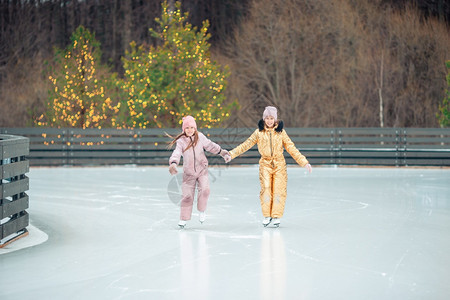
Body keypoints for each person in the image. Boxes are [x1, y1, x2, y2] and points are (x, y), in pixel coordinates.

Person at [225, 106, 312, 227]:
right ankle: (267, 215)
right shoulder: (259, 133)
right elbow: (246, 144)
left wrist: (304, 162)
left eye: (272, 118)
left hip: (279, 164)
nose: (269, 121)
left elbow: (291, 148)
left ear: (276, 119)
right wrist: (231, 154)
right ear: (264, 119)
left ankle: (276, 216)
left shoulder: (281, 132)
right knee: (266, 189)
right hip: (265, 164)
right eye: (267, 118)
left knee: (278, 189)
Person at [168, 115, 231, 228]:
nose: (190, 130)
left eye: (192, 127)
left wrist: (222, 152)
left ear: (195, 128)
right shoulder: (181, 141)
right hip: (188, 173)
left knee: (205, 190)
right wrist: (173, 163)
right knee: (187, 196)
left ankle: (202, 210)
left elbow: (211, 146)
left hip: (202, 170)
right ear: (183, 129)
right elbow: (176, 153)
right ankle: (184, 219)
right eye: (187, 128)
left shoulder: (200, 137)